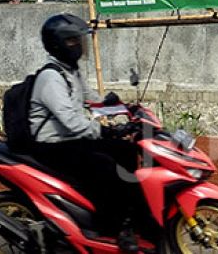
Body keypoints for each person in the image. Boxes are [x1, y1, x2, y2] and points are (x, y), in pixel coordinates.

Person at [27, 13, 144, 251]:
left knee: (128, 151)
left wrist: (121, 106)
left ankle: (131, 216)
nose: (79, 46)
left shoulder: (70, 71)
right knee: (107, 167)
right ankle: (110, 227)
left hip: (70, 139)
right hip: (52, 145)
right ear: (58, 44)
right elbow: (70, 121)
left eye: (79, 40)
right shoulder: (51, 77)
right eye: (73, 41)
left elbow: (91, 99)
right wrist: (105, 132)